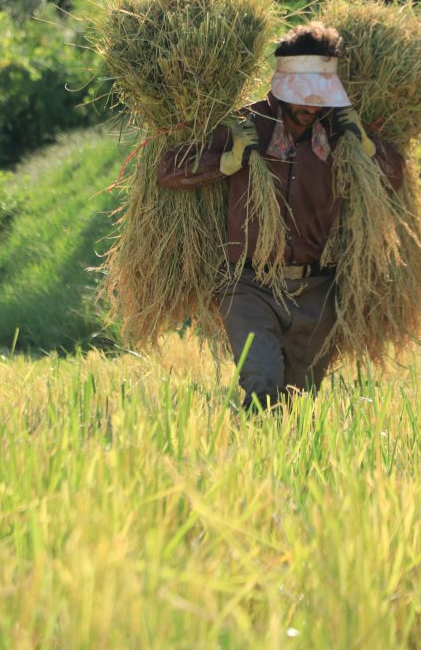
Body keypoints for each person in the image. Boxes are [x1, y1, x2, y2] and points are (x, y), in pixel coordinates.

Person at [157, 24, 404, 410]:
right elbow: (167, 171)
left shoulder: (340, 135)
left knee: (298, 403)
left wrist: (367, 143)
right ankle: (251, 461)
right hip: (249, 285)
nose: (310, 107)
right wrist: (227, 161)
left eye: (319, 99)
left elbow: (395, 177)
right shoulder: (245, 125)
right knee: (262, 380)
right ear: (281, 88)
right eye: (302, 98)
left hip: (317, 290)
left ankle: (276, 466)